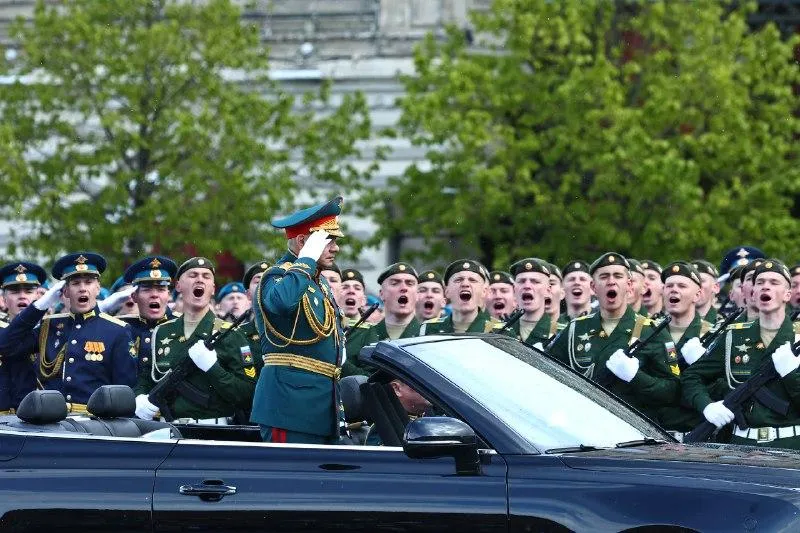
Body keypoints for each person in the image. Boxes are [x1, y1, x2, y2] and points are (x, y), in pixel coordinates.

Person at [251, 196, 346, 444]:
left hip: (322, 406)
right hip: (289, 407)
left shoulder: (318, 281)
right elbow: (282, 302)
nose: (335, 248)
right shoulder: (277, 276)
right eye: (328, 241)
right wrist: (306, 259)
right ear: (304, 241)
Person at [682, 260, 800, 449]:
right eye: (759, 282)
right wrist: (707, 406)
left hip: (790, 444)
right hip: (741, 444)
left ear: (787, 294)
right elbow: (691, 377)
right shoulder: (734, 335)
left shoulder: (797, 338)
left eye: (774, 282)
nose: (765, 287)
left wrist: (791, 374)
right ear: (752, 293)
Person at [549, 252, 678, 422]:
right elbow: (550, 378)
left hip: (632, 432)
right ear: (593, 287)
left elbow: (672, 391)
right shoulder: (575, 329)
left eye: (618, 276)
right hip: (582, 426)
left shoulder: (652, 331)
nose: (611, 281)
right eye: (604, 276)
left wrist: (636, 377)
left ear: (629, 285)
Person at [0, 253, 136, 412]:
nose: (83, 288)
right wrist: (39, 307)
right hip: (50, 419)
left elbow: (125, 389)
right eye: (76, 283)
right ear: (64, 291)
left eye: (89, 282)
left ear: (98, 288)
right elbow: (6, 345)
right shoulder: (50, 325)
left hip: (93, 422)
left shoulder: (117, 330)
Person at [133, 257, 256, 424]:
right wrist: (140, 397)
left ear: (212, 289)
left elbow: (247, 393)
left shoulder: (230, 333)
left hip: (214, 431)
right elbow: (147, 377)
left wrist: (213, 369)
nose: (199, 279)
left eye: (206, 276)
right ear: (178, 286)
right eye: (192, 275)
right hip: (168, 429)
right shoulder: (162, 332)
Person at [656, 261, 712, 440]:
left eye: (681, 286)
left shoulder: (712, 334)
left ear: (697, 295)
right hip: (654, 432)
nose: (674, 290)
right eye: (669, 286)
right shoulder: (647, 333)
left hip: (697, 433)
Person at [117, 256, 180, 375]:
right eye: (147, 289)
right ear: (134, 296)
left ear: (169, 295)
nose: (154, 295)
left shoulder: (183, 326)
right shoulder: (122, 328)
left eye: (161, 289)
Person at [0, 261, 45, 414]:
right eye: (14, 291)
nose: (22, 296)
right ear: (4, 299)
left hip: (42, 416)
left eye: (28, 291)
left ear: (39, 295)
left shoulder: (52, 329)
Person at [420, 259, 497, 334]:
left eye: (472, 280)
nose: (465, 284)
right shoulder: (428, 329)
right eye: (458, 280)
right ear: (447, 291)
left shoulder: (499, 331)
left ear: (484, 291)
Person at [497, 259, 555, 346]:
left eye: (535, 281)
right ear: (514, 289)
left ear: (548, 290)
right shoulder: (494, 331)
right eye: (522, 281)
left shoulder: (560, 333)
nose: (527, 286)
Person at [340, 268, 379, 378]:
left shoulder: (369, 331)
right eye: (345, 287)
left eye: (357, 288)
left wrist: (342, 362)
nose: (351, 291)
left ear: (363, 300)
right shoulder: (325, 327)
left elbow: (371, 377)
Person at [372, 263, 421, 341]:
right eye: (395, 283)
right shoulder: (367, 335)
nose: (404, 288)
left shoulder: (428, 334)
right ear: (382, 294)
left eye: (410, 284)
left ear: (417, 294)